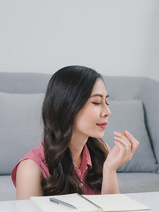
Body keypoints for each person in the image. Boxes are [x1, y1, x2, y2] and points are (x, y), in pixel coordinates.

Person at [11, 65, 139, 199]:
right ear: (68, 107)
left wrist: (110, 170)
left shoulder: (101, 151)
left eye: (107, 102)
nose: (107, 112)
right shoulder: (30, 169)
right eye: (96, 102)